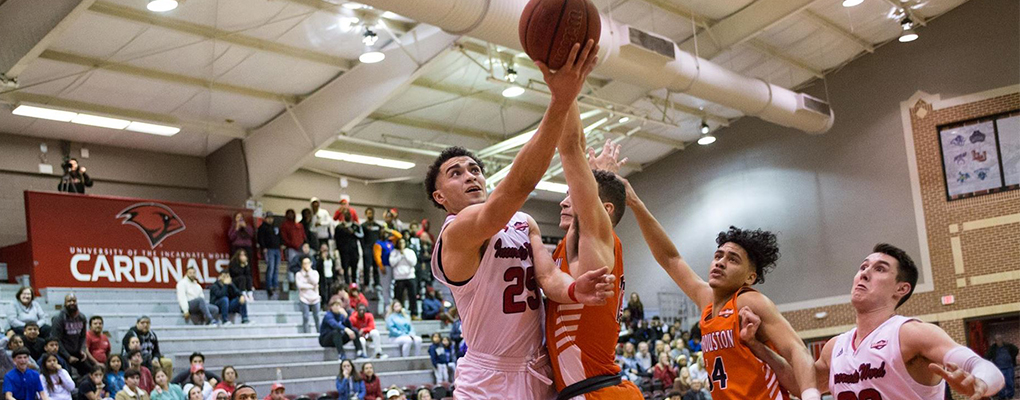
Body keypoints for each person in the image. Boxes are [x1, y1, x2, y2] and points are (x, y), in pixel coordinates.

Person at [425, 40, 618, 400]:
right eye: (455, 173)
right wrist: (560, 102)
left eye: (475, 169)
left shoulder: (523, 222)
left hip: (538, 370)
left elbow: (547, 277)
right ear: (439, 197)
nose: (470, 176)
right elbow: (514, 190)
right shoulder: (457, 234)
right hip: (487, 377)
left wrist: (575, 290)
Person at [623, 178, 820, 400]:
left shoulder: (750, 302)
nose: (720, 262)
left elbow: (796, 349)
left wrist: (811, 395)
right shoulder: (706, 299)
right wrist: (635, 204)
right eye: (718, 256)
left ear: (750, 277)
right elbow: (669, 258)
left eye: (733, 259)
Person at [739, 244, 1006, 400]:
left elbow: (983, 367)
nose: (865, 273)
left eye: (879, 269)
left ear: (901, 289)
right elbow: (800, 385)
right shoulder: (836, 347)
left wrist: (981, 384)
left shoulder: (911, 334)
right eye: (863, 266)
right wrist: (757, 346)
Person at [51, 294, 91, 376]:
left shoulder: (82, 317)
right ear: (65, 303)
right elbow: (56, 340)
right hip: (62, 353)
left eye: (74, 301)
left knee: (90, 370)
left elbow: (83, 336)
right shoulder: (58, 318)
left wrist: (82, 350)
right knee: (67, 372)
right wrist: (68, 356)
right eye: (69, 301)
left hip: (76, 351)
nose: (72, 303)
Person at [388, 239, 417, 319]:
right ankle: (397, 313)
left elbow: (413, 262)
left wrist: (404, 254)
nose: (401, 244)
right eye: (400, 243)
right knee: (398, 297)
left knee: (413, 296)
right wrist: (400, 256)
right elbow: (392, 263)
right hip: (399, 277)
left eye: (403, 242)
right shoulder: (394, 252)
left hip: (410, 276)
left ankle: (414, 313)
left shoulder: (410, 252)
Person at [227, 213, 255, 293]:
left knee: (248, 266)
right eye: (238, 217)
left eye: (241, 217)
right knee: (237, 266)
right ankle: (239, 285)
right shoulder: (233, 227)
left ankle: (249, 286)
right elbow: (231, 237)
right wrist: (237, 228)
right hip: (237, 248)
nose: (240, 219)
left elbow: (251, 234)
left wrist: (245, 227)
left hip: (247, 248)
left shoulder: (247, 226)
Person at [257, 212, 283, 298]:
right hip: (269, 249)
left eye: (271, 218)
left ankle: (275, 285)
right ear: (265, 218)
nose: (270, 219)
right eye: (269, 218)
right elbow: (260, 238)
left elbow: (279, 237)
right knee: (270, 267)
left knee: (276, 268)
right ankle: (269, 285)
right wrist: (263, 247)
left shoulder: (275, 227)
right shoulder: (262, 227)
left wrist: (281, 244)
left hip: (277, 249)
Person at [334, 208, 363, 286]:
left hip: (354, 250)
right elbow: (336, 239)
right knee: (345, 268)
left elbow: (361, 236)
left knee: (354, 268)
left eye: (349, 215)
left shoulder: (356, 226)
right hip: (343, 251)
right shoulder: (339, 227)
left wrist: (354, 233)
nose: (348, 216)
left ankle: (354, 284)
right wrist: (336, 250)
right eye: (346, 214)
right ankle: (347, 284)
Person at [280, 209, 306, 291]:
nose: (291, 215)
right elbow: (284, 238)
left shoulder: (299, 225)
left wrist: (302, 245)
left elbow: (303, 236)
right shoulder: (284, 225)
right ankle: (292, 283)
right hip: (291, 248)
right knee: (291, 266)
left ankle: (300, 282)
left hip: (299, 248)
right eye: (289, 214)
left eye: (292, 214)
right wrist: (291, 244)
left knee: (300, 266)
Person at [986, 333, 1017, 399]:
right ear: (995, 341)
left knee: (1010, 382)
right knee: (1000, 383)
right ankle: (1002, 397)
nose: (999, 341)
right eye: (997, 340)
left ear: (1002, 339)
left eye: (1000, 339)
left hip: (1009, 367)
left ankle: (1010, 396)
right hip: (999, 368)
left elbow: (1015, 350)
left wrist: (1012, 357)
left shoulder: (1008, 346)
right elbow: (987, 356)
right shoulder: (993, 348)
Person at [360, 208, 383, 293]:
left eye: (371, 213)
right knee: (367, 267)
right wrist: (364, 248)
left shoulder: (378, 226)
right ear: (366, 214)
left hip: (376, 249)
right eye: (368, 213)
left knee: (376, 267)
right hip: (367, 249)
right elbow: (361, 238)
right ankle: (366, 284)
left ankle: (377, 284)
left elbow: (381, 238)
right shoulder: (363, 226)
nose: (370, 215)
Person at [296, 256, 321, 333]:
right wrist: (312, 287)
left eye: (307, 263)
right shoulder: (298, 274)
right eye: (304, 263)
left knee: (317, 317)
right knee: (305, 317)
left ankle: (319, 333)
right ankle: (306, 333)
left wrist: (309, 273)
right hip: (304, 298)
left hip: (315, 298)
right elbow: (300, 286)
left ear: (311, 264)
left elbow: (315, 282)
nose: (306, 265)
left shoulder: (315, 273)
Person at [315, 244, 337, 310]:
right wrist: (322, 259)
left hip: (330, 276)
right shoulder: (319, 259)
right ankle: (324, 304)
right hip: (322, 278)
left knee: (330, 291)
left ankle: (329, 303)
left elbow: (333, 269)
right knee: (323, 291)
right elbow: (318, 268)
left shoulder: (331, 260)